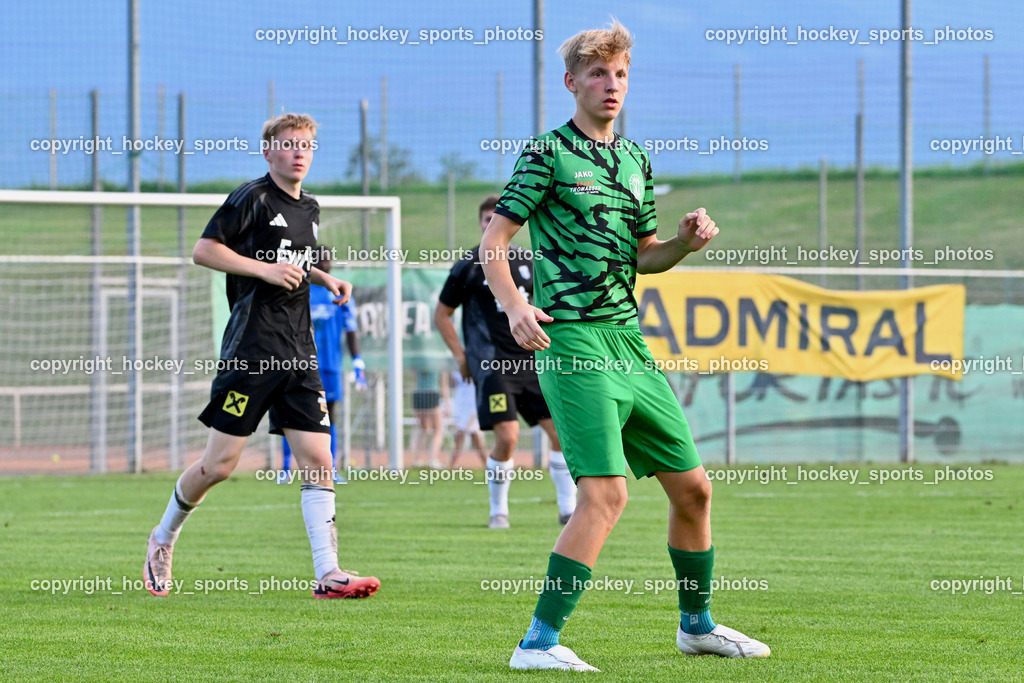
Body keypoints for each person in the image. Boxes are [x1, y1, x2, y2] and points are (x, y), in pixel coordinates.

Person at [480, 22, 769, 670]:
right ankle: (537, 642)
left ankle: (697, 625)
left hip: (629, 343)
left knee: (694, 489)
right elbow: (492, 245)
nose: (612, 86)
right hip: (574, 341)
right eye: (598, 74)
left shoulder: (636, 160)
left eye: (621, 75)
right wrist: (515, 303)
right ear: (572, 83)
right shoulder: (547, 153)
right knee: (606, 494)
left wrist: (684, 244)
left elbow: (646, 254)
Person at [143, 113, 379, 600]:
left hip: (298, 353)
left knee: (318, 459)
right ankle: (163, 537)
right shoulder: (250, 197)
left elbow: (295, 261)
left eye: (308, 145)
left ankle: (328, 573)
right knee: (219, 466)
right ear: (268, 151)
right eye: (290, 144)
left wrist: (325, 279)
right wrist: (263, 270)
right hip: (252, 351)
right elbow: (204, 250)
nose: (300, 153)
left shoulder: (309, 207)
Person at [435, 195, 577, 529]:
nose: (490, 225)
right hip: (493, 366)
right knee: (509, 437)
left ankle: (567, 509)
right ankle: (499, 511)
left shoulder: (529, 262)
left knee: (560, 434)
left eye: (495, 219)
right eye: (486, 220)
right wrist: (461, 355)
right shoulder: (469, 264)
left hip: (533, 365)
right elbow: (442, 315)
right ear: (481, 223)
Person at [280, 245, 366, 484]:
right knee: (291, 413)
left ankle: (331, 467)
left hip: (330, 365)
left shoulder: (338, 292)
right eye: (320, 260)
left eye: (328, 259)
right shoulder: (299, 290)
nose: (326, 263)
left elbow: (351, 330)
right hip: (299, 365)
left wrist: (357, 361)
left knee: (330, 415)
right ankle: (286, 468)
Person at [447, 369, 488, 467]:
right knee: (463, 437)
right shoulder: (456, 369)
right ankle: (452, 465)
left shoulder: (477, 368)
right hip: (461, 404)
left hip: (473, 404)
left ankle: (487, 465)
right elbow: (452, 384)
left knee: (473, 437)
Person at [410, 369, 446, 469]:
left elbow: (416, 380)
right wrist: (447, 403)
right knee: (438, 430)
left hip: (418, 395)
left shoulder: (419, 363)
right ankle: (433, 459)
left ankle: (418, 460)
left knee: (423, 429)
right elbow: (443, 385)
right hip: (432, 394)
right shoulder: (440, 364)